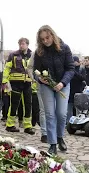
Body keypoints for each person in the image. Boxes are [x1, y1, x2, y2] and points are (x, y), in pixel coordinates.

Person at [33, 25, 75, 154]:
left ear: (53, 35)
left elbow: (70, 68)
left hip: (63, 85)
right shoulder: (39, 52)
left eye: (47, 37)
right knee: (50, 114)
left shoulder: (64, 48)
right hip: (47, 86)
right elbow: (36, 71)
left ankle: (60, 137)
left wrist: (62, 83)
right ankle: (52, 144)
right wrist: (40, 79)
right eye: (42, 39)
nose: (45, 41)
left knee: (61, 114)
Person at [2, 37, 35, 135]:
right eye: (20, 44)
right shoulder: (13, 55)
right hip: (15, 82)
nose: (21, 45)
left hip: (28, 83)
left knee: (28, 105)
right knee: (14, 104)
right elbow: (7, 68)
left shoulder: (32, 55)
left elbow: (34, 68)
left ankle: (28, 126)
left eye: (23, 44)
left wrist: (35, 81)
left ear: (27, 44)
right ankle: (10, 125)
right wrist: (4, 80)